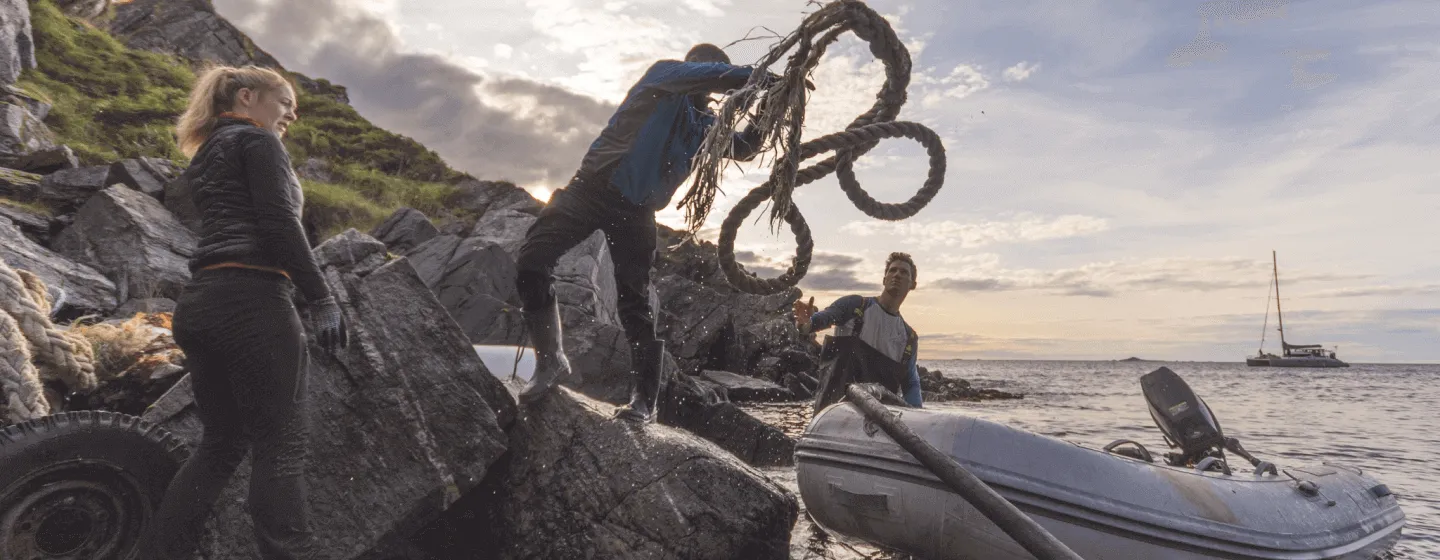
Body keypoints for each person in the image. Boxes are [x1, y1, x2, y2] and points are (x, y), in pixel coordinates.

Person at [138, 65, 347, 560]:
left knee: (221, 444)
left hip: (201, 303)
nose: (291, 114)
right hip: (252, 301)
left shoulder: (208, 153)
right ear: (247, 97)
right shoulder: (258, 143)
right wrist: (323, 297)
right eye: (284, 103)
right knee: (282, 444)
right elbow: (279, 224)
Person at [514, 43, 769, 423]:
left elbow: (746, 147)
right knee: (532, 262)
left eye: (710, 72)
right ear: (691, 68)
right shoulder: (662, 78)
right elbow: (705, 76)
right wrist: (759, 78)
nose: (703, 75)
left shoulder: (704, 128)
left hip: (637, 213)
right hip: (591, 187)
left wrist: (770, 101)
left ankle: (644, 401)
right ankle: (551, 360)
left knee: (634, 303)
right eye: (701, 68)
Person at [794, 252, 923, 411]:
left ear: (912, 284)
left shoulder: (908, 338)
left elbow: (911, 385)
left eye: (904, 272)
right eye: (892, 270)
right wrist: (807, 324)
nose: (897, 274)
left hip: (877, 425)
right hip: (833, 413)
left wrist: (918, 415)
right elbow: (827, 317)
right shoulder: (855, 306)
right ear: (884, 279)